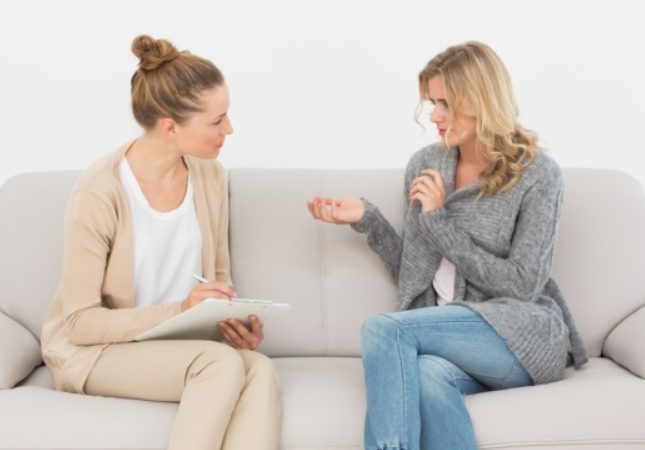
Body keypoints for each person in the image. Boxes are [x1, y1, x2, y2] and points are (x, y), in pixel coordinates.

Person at [307, 41, 588, 450]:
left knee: (383, 329)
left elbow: (524, 284)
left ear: (481, 100)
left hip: (519, 336)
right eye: (431, 103)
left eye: (445, 103)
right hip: (446, 341)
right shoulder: (426, 164)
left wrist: (438, 220)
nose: (434, 116)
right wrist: (369, 219)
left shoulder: (537, 175)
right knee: (425, 375)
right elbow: (415, 274)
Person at [41, 35, 281, 450]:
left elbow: (218, 280)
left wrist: (231, 323)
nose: (229, 129)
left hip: (175, 348)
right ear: (171, 127)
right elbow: (78, 322)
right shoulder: (99, 191)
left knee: (259, 368)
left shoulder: (209, 175)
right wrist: (182, 309)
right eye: (217, 120)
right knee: (218, 364)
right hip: (98, 352)